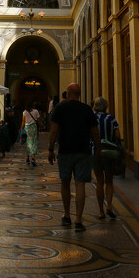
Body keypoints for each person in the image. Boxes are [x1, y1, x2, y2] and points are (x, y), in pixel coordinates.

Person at [48, 82, 102, 231]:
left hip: (65, 151)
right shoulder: (86, 110)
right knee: (80, 184)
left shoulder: (60, 108)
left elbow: (53, 131)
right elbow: (95, 132)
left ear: (68, 92)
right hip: (83, 152)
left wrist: (51, 149)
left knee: (65, 183)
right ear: (79, 94)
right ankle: (78, 220)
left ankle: (67, 215)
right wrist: (98, 149)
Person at [92, 96, 121, 219]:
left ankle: (101, 211)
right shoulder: (111, 118)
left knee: (99, 181)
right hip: (109, 152)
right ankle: (109, 205)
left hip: (96, 151)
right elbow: (118, 135)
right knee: (109, 181)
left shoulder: (92, 118)